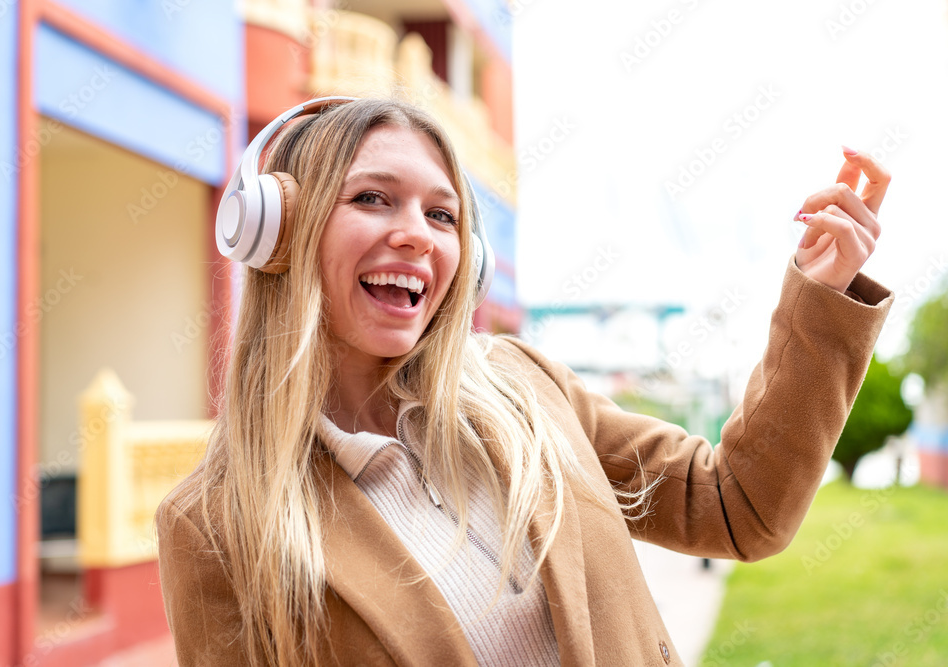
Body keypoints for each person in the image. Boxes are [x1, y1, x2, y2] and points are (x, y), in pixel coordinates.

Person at [155, 97, 893, 666]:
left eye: (441, 213)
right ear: (277, 232)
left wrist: (817, 301)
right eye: (372, 198)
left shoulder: (524, 384)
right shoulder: (213, 524)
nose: (415, 231)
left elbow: (739, 507)